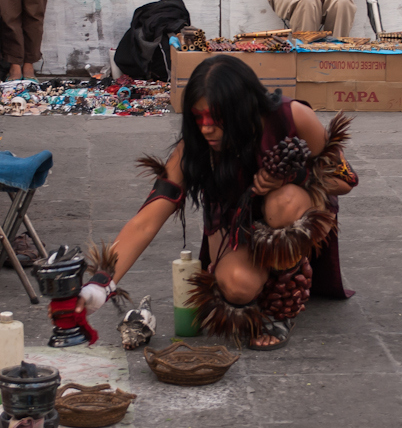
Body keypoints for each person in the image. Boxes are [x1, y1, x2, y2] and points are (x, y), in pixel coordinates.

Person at [78, 55, 359, 350]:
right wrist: (100, 284)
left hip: (292, 213)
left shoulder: (291, 116)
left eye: (216, 117)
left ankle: (281, 304)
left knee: (283, 204)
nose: (205, 129)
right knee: (238, 286)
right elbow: (146, 221)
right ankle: (255, 280)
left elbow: (346, 181)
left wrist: (289, 177)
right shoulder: (194, 148)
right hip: (235, 223)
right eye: (198, 118)